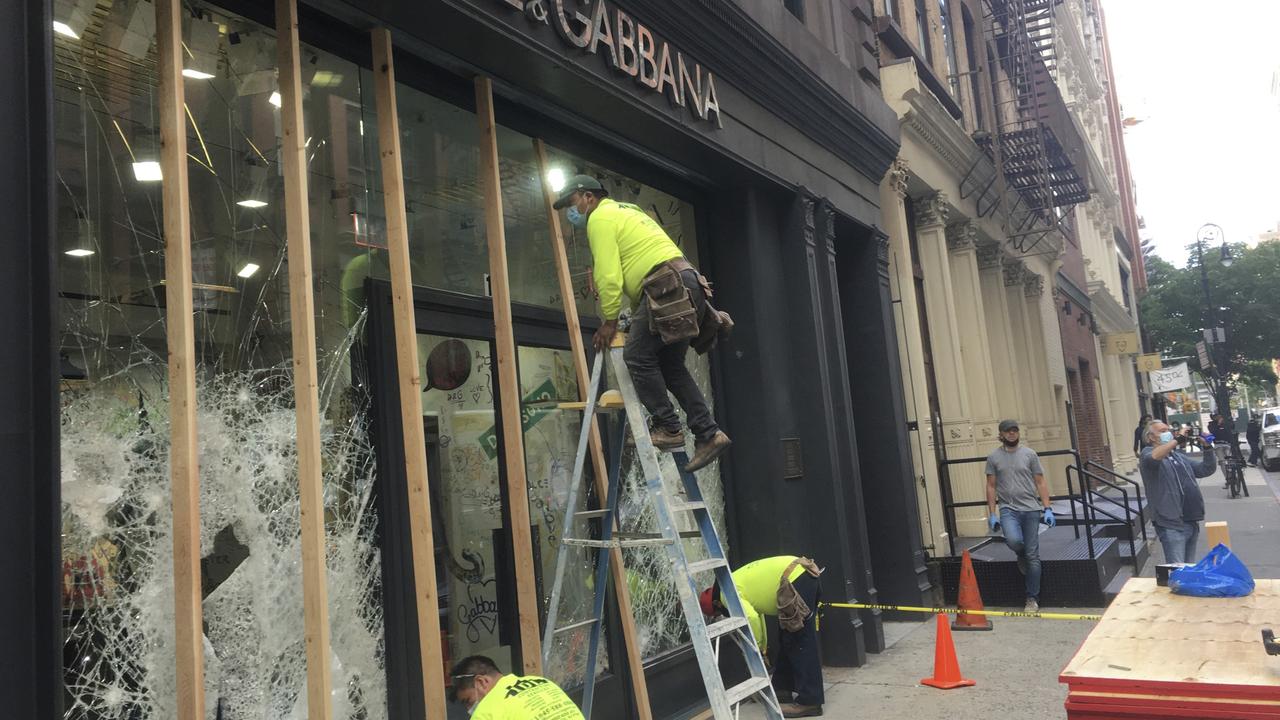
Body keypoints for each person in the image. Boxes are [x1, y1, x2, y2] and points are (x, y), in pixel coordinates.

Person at [553, 175, 730, 472]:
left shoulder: (600, 218)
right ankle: (708, 433)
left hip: (666, 287)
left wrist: (609, 321)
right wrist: (634, 315)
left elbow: (609, 278)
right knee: (671, 367)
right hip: (685, 285)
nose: (571, 213)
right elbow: (644, 269)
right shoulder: (629, 211)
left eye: (572, 204)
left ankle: (668, 427)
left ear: (588, 197)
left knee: (637, 356)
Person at [700, 555, 824, 718]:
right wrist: (763, 648)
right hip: (801, 574)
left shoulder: (726, 595)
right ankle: (781, 689)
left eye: (718, 613)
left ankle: (810, 702)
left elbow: (750, 617)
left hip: (794, 581)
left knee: (800, 642)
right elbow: (758, 615)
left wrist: (756, 648)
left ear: (716, 605)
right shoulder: (731, 581)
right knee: (788, 638)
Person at [984, 419, 1054, 614]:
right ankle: (1021, 554)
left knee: (1033, 556)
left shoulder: (1030, 454)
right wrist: (992, 513)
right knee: (1014, 541)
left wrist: (1047, 508)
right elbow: (990, 485)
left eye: (1015, 431)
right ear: (1001, 434)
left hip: (1031, 509)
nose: (1012, 434)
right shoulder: (993, 457)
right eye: (1008, 431)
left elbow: (1040, 481)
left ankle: (1032, 598)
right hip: (1008, 508)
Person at [1139, 420, 1215, 564]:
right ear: (1151, 437)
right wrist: (1177, 440)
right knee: (1178, 570)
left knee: (1189, 569)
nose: (1168, 433)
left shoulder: (1177, 456)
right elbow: (1155, 457)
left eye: (1168, 430)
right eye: (1162, 431)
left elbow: (1205, 469)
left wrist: (1207, 448)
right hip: (1171, 522)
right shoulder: (1147, 454)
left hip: (1191, 519)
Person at [449, 655, 584, 719]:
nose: (468, 710)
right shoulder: (541, 682)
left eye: (468, 701)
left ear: (481, 682)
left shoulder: (486, 712)